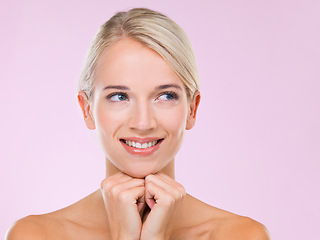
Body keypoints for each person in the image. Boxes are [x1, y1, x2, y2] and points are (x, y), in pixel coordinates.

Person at [6, 8, 270, 240]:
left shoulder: (241, 236)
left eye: (165, 96)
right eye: (119, 96)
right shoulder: (35, 235)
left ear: (192, 108)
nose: (143, 123)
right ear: (87, 109)